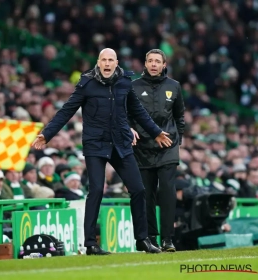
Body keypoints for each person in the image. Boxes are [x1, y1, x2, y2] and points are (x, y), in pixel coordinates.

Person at [32, 48, 172, 255]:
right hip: (95, 145)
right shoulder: (86, 83)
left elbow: (138, 111)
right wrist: (47, 134)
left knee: (138, 189)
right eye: (103, 60)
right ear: (98, 62)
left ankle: (142, 239)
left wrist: (156, 132)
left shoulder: (125, 82)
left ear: (116, 63)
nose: (107, 63)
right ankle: (90, 244)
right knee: (96, 190)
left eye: (110, 60)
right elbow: (67, 110)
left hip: (121, 143)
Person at [129, 49, 185, 252]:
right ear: (145, 64)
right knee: (146, 193)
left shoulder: (174, 86)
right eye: (150, 61)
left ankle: (168, 239)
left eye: (157, 61)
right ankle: (150, 238)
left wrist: (178, 138)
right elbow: (125, 115)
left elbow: (179, 115)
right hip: (142, 147)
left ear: (164, 65)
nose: (153, 64)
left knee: (168, 192)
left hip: (167, 146)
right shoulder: (132, 87)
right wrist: (130, 129)